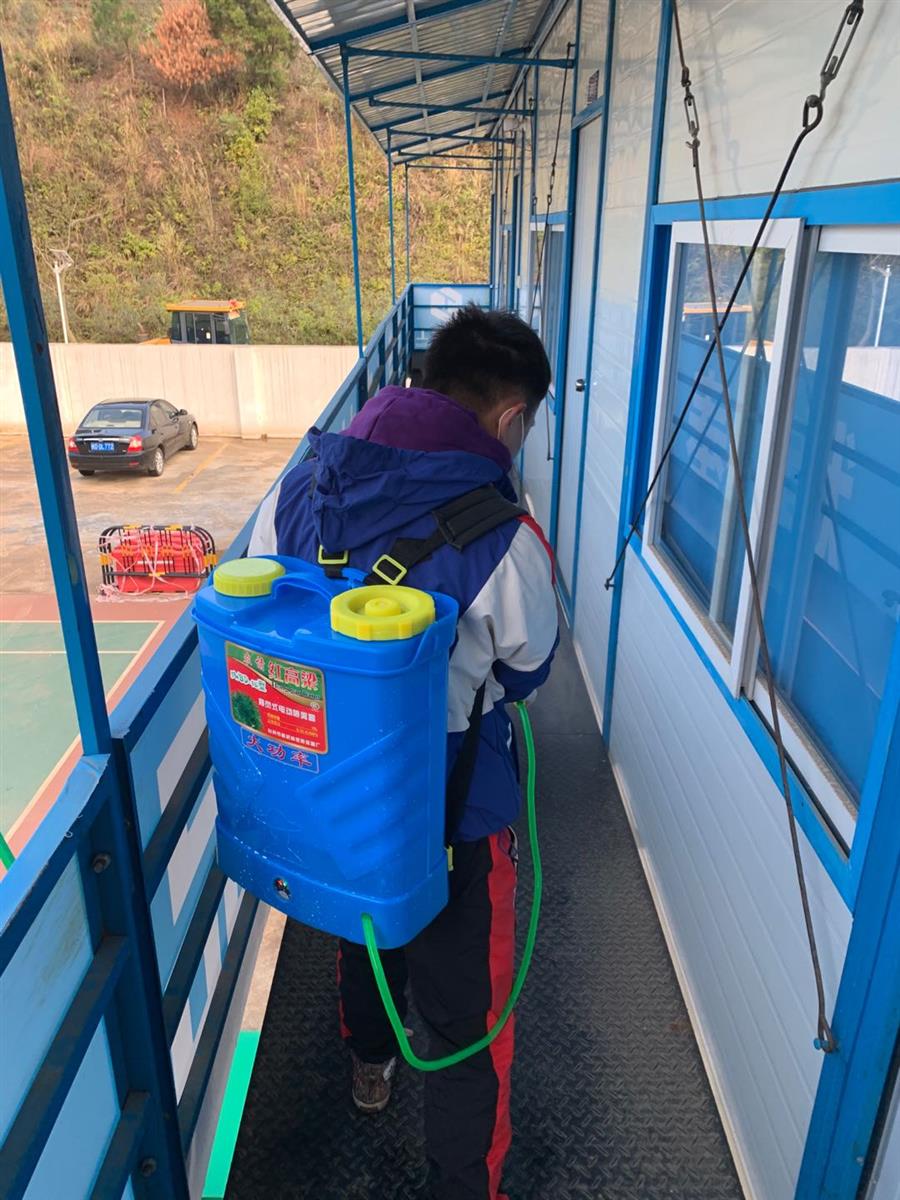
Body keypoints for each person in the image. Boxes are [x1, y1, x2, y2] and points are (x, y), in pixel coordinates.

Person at [248, 304, 559, 1200]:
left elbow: (268, 619)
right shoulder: (504, 534)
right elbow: (528, 671)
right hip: (454, 811)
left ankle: (370, 1061)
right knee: (470, 1026)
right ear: (510, 417)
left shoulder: (300, 485)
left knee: (366, 925)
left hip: (331, 789)